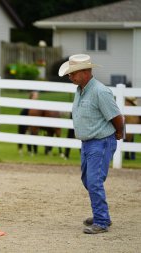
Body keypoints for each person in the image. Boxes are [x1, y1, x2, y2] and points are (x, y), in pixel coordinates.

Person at [58, 54, 124, 234]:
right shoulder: (81, 89)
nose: (70, 77)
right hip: (89, 142)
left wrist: (119, 132)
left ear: (86, 72)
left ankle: (101, 221)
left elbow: (116, 116)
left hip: (100, 142)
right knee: (88, 180)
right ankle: (102, 215)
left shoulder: (100, 91)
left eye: (73, 73)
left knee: (94, 181)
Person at [18, 91, 39, 155]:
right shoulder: (28, 104)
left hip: (34, 123)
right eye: (35, 95)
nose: (37, 97)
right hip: (26, 123)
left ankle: (35, 151)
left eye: (37, 95)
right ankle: (27, 150)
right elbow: (23, 114)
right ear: (32, 96)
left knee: (35, 136)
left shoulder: (37, 104)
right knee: (27, 135)